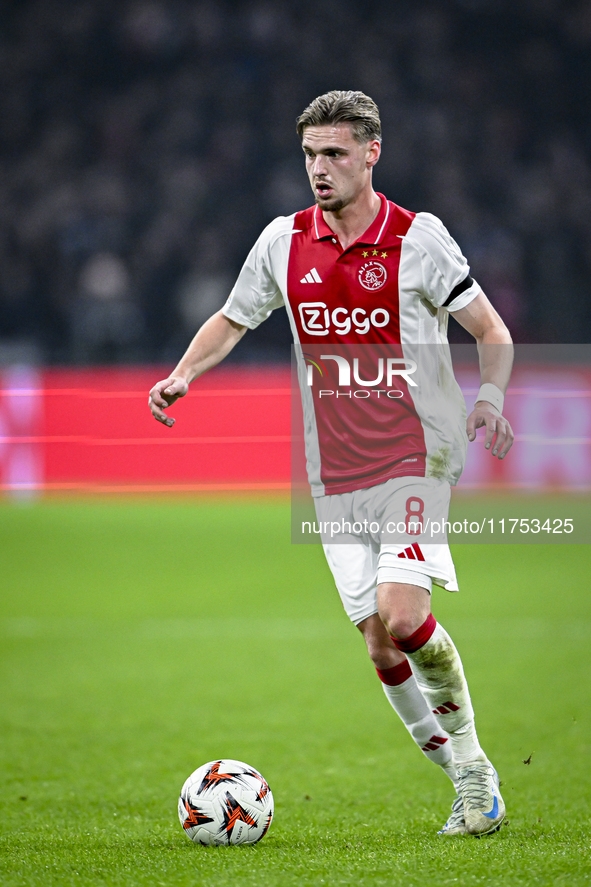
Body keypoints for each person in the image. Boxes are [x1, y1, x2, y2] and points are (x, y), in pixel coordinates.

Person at [148, 90, 514, 836]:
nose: (319, 168)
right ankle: (460, 771)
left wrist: (492, 396)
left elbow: (490, 330)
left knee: (403, 616)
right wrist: (184, 373)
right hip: (334, 473)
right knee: (376, 637)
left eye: (335, 154)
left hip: (416, 455)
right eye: (310, 155)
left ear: (371, 153)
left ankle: (474, 769)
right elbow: (232, 316)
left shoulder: (419, 239)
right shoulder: (282, 242)